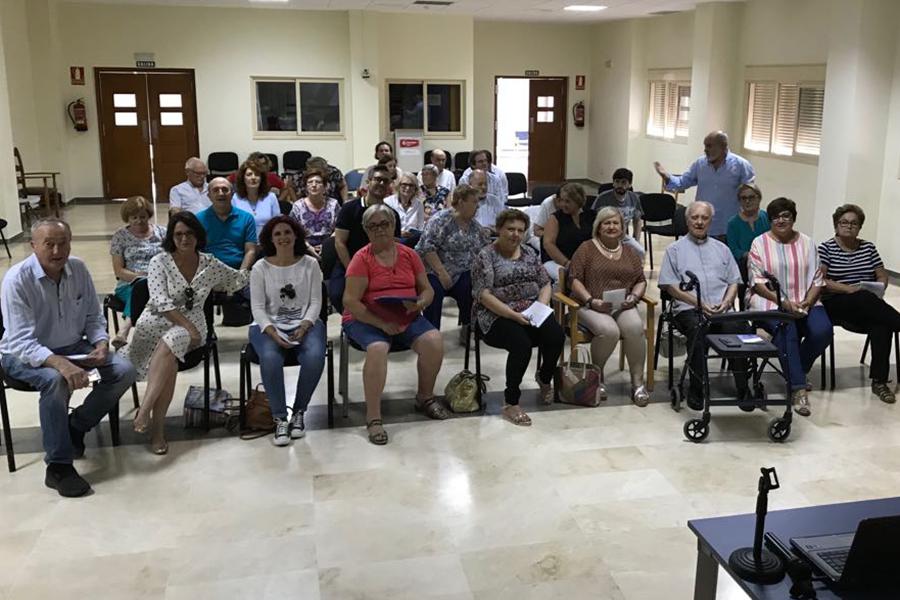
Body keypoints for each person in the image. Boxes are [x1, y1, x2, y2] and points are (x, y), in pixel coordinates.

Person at [0, 219, 137, 497]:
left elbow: (91, 316)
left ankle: (76, 426)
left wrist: (99, 342)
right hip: (22, 354)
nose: (56, 250)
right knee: (55, 381)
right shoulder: (18, 279)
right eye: (48, 243)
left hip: (74, 345)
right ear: (33, 246)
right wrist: (61, 364)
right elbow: (21, 341)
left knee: (124, 369)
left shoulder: (78, 268)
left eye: (62, 243)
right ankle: (59, 466)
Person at [122, 212, 250, 454]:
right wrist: (188, 327)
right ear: (171, 236)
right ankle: (156, 428)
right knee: (168, 360)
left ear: (198, 235)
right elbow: (160, 302)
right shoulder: (159, 261)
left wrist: (260, 265)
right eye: (178, 234)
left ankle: (146, 412)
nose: (184, 238)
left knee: (172, 342)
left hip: (191, 327)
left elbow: (237, 280)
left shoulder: (210, 264)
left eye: (189, 233)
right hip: (154, 324)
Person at [342, 204, 446, 445]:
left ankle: (425, 397)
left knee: (434, 341)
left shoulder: (409, 255)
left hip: (405, 315)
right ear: (366, 231)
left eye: (385, 224)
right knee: (377, 348)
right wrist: (381, 323)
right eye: (373, 226)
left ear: (393, 226)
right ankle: (374, 417)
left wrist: (420, 303)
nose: (380, 230)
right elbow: (350, 301)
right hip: (366, 318)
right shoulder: (361, 258)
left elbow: (427, 289)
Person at [472, 209, 564, 426]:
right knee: (520, 344)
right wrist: (513, 315)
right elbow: (483, 295)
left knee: (556, 335)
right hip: (495, 314)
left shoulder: (530, 253)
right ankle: (511, 402)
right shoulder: (485, 255)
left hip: (530, 310)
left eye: (520, 230)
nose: (515, 234)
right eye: (510, 229)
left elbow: (544, 283)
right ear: (499, 229)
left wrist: (540, 307)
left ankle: (544, 377)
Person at [658, 201, 749, 410]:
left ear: (710, 221)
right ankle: (697, 388)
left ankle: (744, 388)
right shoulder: (675, 250)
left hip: (721, 308)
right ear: (687, 220)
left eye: (704, 218)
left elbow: (734, 281)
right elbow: (670, 286)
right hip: (688, 309)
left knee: (739, 330)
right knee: (698, 330)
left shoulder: (722, 249)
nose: (699, 222)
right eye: (694, 217)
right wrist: (699, 304)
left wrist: (727, 302)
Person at [747, 197, 833, 417]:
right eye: (776, 217)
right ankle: (798, 389)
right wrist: (783, 302)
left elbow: (817, 279)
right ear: (770, 220)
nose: (781, 220)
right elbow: (756, 283)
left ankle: (796, 369)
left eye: (786, 215)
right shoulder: (759, 243)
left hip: (806, 300)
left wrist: (807, 301)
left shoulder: (807, 242)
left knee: (823, 331)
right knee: (788, 332)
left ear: (793, 218)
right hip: (770, 303)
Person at [249, 216, 326, 445]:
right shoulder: (260, 268)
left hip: (306, 323)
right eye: (277, 234)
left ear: (296, 236)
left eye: (287, 232)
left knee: (314, 357)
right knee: (271, 358)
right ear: (270, 239)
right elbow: (258, 308)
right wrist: (273, 332)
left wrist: (304, 326)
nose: (283, 238)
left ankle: (299, 413)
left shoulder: (310, 264)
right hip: (268, 326)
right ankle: (280, 418)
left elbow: (315, 302)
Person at [567, 206, 649, 406]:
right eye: (607, 223)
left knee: (636, 328)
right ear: (598, 227)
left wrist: (635, 297)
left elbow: (640, 280)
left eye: (616, 223)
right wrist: (590, 300)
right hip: (589, 304)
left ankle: (637, 383)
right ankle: (597, 374)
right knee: (609, 331)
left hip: (621, 304)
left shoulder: (629, 251)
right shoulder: (586, 248)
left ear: (622, 228)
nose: (612, 227)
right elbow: (574, 279)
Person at [819, 204, 900, 404]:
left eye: (854, 223)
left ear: (860, 227)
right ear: (836, 225)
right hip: (837, 302)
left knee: (882, 324)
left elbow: (881, 273)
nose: (849, 226)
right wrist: (850, 289)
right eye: (844, 222)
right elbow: (821, 281)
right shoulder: (826, 248)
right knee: (864, 297)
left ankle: (879, 382)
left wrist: (880, 286)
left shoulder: (868, 247)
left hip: (868, 304)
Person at [654, 131, 755, 238]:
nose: (705, 150)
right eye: (705, 146)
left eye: (709, 146)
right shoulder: (700, 164)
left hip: (728, 229)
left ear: (723, 146)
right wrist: (667, 177)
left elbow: (749, 196)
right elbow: (682, 182)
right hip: (702, 226)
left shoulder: (741, 165)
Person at [416, 184, 489, 334]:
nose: (478, 207)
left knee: (472, 287)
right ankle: (431, 334)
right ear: (461, 202)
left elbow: (485, 249)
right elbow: (427, 247)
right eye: (474, 202)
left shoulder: (475, 226)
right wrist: (442, 272)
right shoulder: (440, 220)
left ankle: (469, 329)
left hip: (462, 272)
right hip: (434, 270)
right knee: (433, 291)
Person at [330, 165, 402, 312]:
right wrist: (352, 270)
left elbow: (394, 245)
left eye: (385, 181)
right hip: (349, 262)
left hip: (380, 265)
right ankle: (353, 322)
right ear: (368, 182)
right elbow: (339, 242)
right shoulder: (349, 209)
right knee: (337, 294)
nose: (381, 184)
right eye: (377, 179)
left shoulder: (392, 214)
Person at [109, 195, 166, 348]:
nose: (139, 221)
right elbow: (119, 270)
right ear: (127, 218)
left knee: (149, 288)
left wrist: (155, 278)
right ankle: (128, 331)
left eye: (143, 216)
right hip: (128, 283)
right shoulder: (120, 236)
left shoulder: (162, 232)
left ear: (149, 215)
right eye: (134, 217)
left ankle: (124, 330)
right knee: (142, 286)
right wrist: (141, 277)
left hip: (160, 282)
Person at [196, 177, 257, 271]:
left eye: (225, 189)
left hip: (239, 270)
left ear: (232, 194)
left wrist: (240, 275)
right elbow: (195, 251)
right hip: (208, 273)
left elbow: (251, 250)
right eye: (215, 190)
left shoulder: (246, 218)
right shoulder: (198, 219)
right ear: (209, 196)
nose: (220, 193)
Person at [541, 182, 596, 283]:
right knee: (567, 277)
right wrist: (567, 263)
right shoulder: (555, 218)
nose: (562, 204)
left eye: (567, 201)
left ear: (578, 201)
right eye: (561, 200)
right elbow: (548, 244)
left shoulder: (591, 216)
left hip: (582, 261)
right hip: (556, 261)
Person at [591, 167, 644, 256]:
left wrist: (636, 239)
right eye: (617, 181)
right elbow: (593, 219)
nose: (620, 185)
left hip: (622, 236)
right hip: (604, 235)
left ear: (630, 184)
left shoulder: (634, 198)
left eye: (623, 182)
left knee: (640, 252)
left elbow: (637, 220)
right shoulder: (602, 198)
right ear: (613, 183)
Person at [288, 168, 340, 256]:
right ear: (306, 187)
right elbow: (293, 231)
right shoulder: (298, 206)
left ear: (325, 186)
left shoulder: (334, 204)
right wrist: (308, 247)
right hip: (304, 248)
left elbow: (339, 229)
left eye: (318, 182)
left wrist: (326, 246)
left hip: (329, 247)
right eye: (310, 182)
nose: (314, 185)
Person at [726, 183, 770, 283]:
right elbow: (733, 250)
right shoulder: (733, 223)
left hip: (767, 264)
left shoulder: (767, 217)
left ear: (759, 198)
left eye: (751, 197)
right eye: (743, 198)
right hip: (743, 267)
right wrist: (751, 255)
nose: (747, 201)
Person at [231, 158, 281, 237]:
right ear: (243, 178)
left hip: (267, 243)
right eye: (249, 174)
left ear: (261, 178)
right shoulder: (235, 198)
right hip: (243, 243)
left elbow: (278, 225)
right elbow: (233, 226)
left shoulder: (271, 197)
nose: (253, 177)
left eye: (257, 174)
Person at [385, 172, 425, 246]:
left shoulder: (419, 204)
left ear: (415, 188)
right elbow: (385, 227)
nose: (407, 188)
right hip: (394, 240)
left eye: (411, 185)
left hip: (413, 241)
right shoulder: (388, 202)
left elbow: (420, 227)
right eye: (404, 184)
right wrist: (399, 233)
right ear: (398, 186)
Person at [469, 168, 505, 232]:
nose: (484, 187)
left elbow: (504, 224)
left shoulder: (495, 201)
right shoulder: (465, 203)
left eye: (485, 184)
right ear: (470, 185)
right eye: (480, 184)